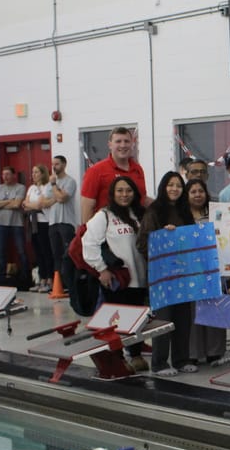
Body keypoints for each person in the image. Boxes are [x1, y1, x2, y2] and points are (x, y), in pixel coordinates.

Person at [83, 176, 148, 372]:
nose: (124, 194)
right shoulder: (104, 215)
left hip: (140, 277)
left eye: (128, 190)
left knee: (138, 319)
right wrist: (102, 269)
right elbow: (89, 242)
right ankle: (118, 358)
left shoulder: (140, 214)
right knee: (117, 322)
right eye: (120, 191)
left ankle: (135, 354)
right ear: (113, 194)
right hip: (118, 280)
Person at [138, 172, 196, 376]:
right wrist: (163, 236)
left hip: (183, 275)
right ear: (163, 187)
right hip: (161, 276)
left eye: (179, 186)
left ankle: (181, 359)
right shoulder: (154, 211)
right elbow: (142, 243)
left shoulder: (184, 211)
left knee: (183, 318)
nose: (174, 189)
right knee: (163, 319)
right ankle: (159, 362)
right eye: (170, 185)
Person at [185, 178, 226, 364]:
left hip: (213, 268)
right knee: (192, 313)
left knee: (213, 308)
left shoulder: (216, 213)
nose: (197, 195)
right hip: (189, 270)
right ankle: (193, 354)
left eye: (200, 191)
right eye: (193, 191)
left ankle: (214, 352)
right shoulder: (181, 215)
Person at [80, 127, 150, 221]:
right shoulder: (96, 171)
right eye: (118, 141)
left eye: (126, 141)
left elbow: (143, 199)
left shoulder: (137, 169)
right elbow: (87, 206)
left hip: (135, 229)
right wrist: (87, 232)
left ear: (132, 144)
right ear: (110, 145)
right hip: (107, 231)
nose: (123, 145)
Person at [41, 155, 80, 293]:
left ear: (64, 164)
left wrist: (54, 186)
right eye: (53, 164)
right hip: (53, 222)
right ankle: (60, 285)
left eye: (57, 164)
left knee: (68, 253)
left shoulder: (70, 181)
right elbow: (43, 203)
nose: (54, 167)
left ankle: (72, 283)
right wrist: (56, 197)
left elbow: (63, 198)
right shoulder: (49, 184)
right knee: (55, 254)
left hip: (66, 222)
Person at [0, 166, 27, 286]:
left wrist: (1, 204)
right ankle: (1, 277)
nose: (5, 177)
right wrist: (8, 201)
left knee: (21, 250)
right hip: (1, 225)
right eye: (3, 174)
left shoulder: (20, 187)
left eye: (7, 174)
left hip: (17, 224)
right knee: (2, 251)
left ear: (13, 175)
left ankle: (25, 277)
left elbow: (17, 204)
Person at [22, 163, 54, 292]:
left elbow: (40, 205)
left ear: (42, 173)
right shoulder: (31, 188)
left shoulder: (47, 187)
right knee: (37, 252)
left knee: (46, 251)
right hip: (32, 223)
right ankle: (41, 278)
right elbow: (25, 204)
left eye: (36, 172)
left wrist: (32, 205)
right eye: (32, 172)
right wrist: (31, 205)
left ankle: (50, 279)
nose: (33, 175)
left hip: (44, 222)